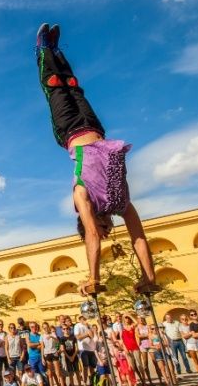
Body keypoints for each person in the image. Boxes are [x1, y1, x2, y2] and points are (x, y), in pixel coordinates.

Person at [35, 23, 158, 296]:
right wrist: (149, 276)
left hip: (68, 131)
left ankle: (44, 49)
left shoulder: (82, 197)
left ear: (85, 222)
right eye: (106, 230)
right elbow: (139, 237)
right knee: (74, 87)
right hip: (95, 129)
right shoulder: (120, 201)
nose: (105, 230)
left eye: (103, 229)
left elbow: (92, 236)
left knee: (55, 87)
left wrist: (93, 278)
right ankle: (57, 51)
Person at [41, 322, 64, 386]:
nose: (45, 329)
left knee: (58, 372)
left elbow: (58, 341)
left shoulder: (52, 334)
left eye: (46, 327)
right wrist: (42, 358)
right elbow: (42, 347)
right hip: (47, 354)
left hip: (54, 353)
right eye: (44, 327)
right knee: (50, 374)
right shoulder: (42, 336)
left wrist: (51, 337)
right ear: (42, 328)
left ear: (48, 327)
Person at [74, 315, 95, 386]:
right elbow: (78, 337)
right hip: (83, 349)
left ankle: (92, 384)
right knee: (85, 368)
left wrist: (89, 330)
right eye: (83, 319)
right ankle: (85, 384)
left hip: (91, 349)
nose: (85, 320)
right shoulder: (77, 326)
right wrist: (87, 334)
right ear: (80, 320)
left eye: (85, 319)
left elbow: (92, 336)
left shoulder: (89, 326)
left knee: (92, 367)